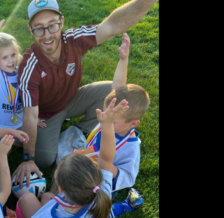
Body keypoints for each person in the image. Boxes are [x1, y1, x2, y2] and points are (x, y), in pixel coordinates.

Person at [13, 0, 159, 189]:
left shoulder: (74, 39)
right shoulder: (29, 67)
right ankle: (42, 135)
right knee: (44, 159)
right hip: (47, 113)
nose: (47, 35)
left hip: (72, 99)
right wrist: (27, 158)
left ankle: (82, 132)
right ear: (30, 30)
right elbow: (31, 114)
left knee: (111, 92)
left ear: (62, 22)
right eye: (39, 29)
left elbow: (112, 25)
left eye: (52, 25)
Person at [6, 97, 132, 218]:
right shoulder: (101, 193)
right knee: (46, 197)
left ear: (60, 189)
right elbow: (106, 159)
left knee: (26, 200)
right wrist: (107, 125)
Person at [73, 32, 150, 201]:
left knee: (82, 198)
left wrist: (107, 166)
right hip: (89, 160)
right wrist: (123, 60)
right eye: (106, 112)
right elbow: (117, 88)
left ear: (134, 123)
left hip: (101, 180)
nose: (105, 119)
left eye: (113, 121)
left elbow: (128, 177)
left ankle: (121, 207)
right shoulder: (112, 116)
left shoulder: (130, 147)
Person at [0, 11, 46, 147]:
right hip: (1, 127)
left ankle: (17, 141)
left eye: (13, 55)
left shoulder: (22, 73)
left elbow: (30, 97)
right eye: (4, 58)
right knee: (5, 150)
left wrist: (34, 118)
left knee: (35, 142)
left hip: (20, 123)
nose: (11, 61)